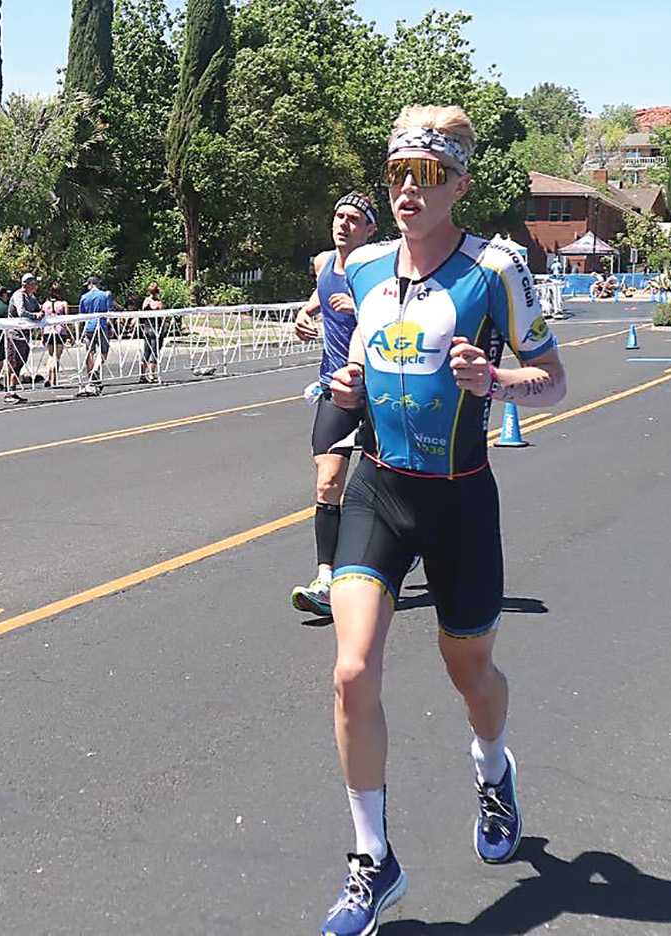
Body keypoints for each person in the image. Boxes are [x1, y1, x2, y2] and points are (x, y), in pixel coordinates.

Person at [317, 104, 567, 936]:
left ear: (459, 182)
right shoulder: (363, 268)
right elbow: (360, 361)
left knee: (472, 675)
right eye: (396, 174)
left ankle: (492, 768)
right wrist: (350, 386)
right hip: (381, 490)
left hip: (460, 497)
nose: (407, 191)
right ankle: (371, 860)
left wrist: (495, 382)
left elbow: (553, 377)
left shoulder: (496, 269)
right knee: (352, 673)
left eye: (426, 175)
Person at [287, 191, 378, 616]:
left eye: (354, 219)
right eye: (339, 216)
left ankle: (404, 551)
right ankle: (327, 578)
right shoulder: (324, 263)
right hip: (332, 387)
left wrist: (362, 307)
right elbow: (319, 297)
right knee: (328, 480)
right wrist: (304, 316)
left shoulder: (380, 270)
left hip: (380, 391)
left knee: (391, 486)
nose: (343, 224)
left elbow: (401, 317)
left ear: (370, 230)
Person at [4, 273, 44, 403]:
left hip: (25, 335)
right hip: (14, 334)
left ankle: (13, 390)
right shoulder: (18, 295)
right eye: (33, 284)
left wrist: (41, 313)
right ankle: (9, 392)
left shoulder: (31, 297)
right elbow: (21, 312)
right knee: (13, 362)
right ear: (25, 284)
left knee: (21, 362)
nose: (36, 286)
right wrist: (34, 316)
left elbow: (39, 308)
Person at [78, 275, 115, 397]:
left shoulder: (84, 297)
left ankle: (91, 380)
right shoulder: (105, 295)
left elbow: (81, 315)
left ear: (90, 284)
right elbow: (109, 312)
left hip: (89, 327)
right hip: (101, 325)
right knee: (104, 350)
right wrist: (112, 327)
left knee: (90, 352)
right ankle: (96, 370)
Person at [40, 283, 70, 388]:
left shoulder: (45, 304)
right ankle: (54, 379)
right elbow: (66, 320)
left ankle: (48, 376)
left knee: (50, 355)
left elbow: (42, 320)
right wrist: (70, 334)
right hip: (59, 331)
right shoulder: (63, 304)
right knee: (57, 356)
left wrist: (41, 334)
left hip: (47, 331)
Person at [139, 282, 167, 384]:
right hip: (156, 329)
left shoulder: (146, 301)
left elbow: (142, 313)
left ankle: (142, 374)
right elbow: (163, 317)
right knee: (155, 351)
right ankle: (152, 374)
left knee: (146, 351)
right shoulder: (159, 303)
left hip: (147, 328)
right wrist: (164, 328)